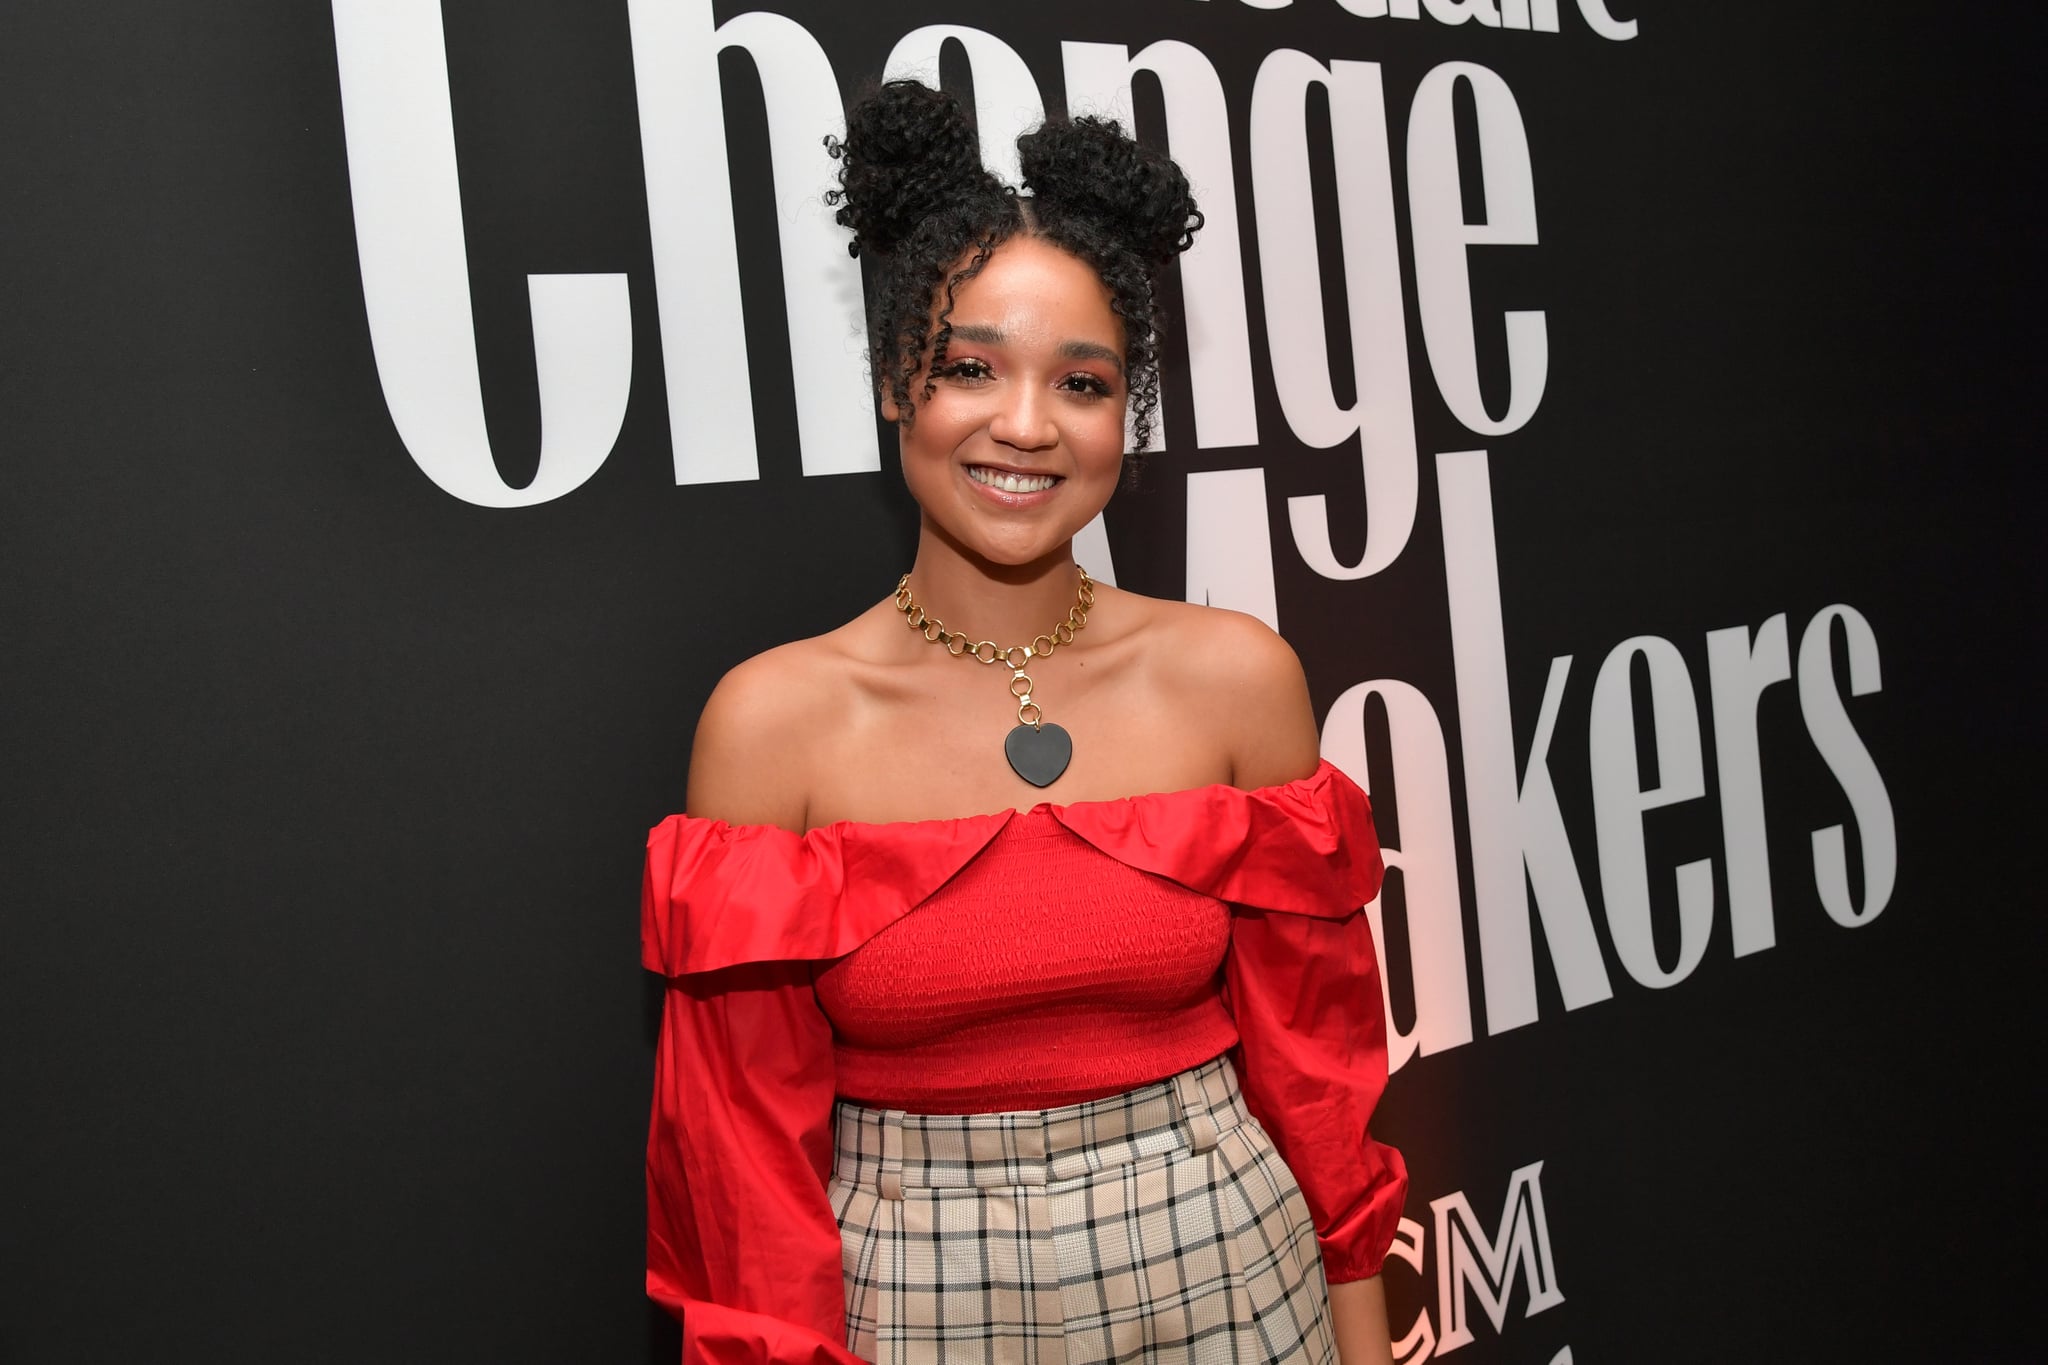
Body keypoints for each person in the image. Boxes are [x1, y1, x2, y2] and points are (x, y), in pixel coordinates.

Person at [641, 79, 1406, 1365]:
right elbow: (738, 1160)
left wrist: (1364, 1341)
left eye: (1083, 381)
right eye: (968, 367)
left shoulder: (1238, 679)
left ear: (1128, 417)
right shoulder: (772, 723)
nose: (1025, 426)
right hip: (908, 1298)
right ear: (898, 384)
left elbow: (1317, 1070)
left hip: (1231, 1262)